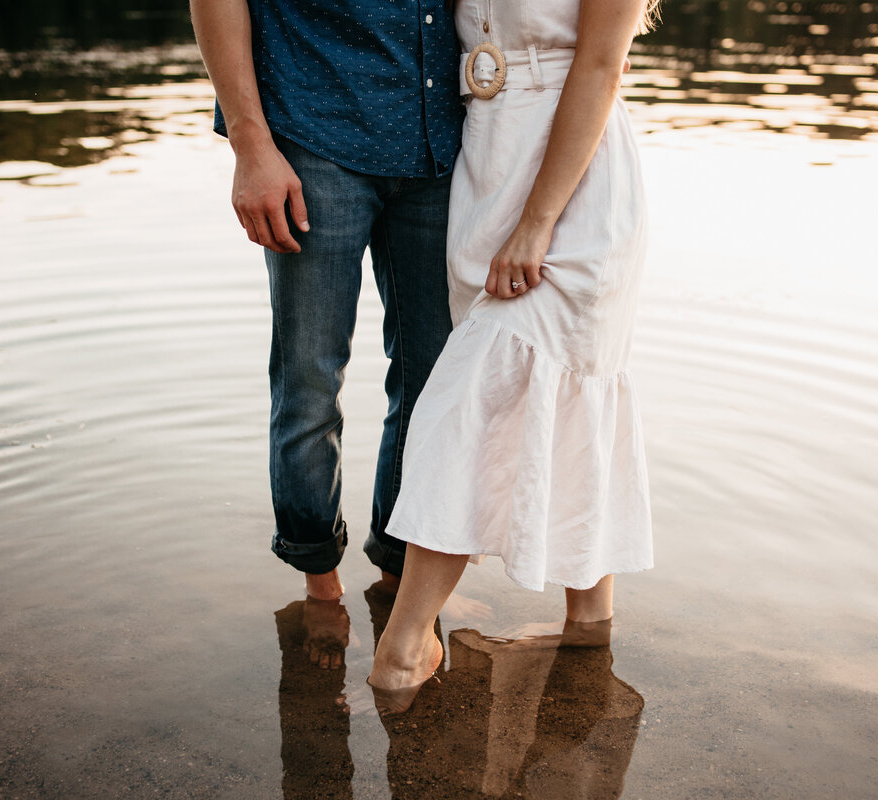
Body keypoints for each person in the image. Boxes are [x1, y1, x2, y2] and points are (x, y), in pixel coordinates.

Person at [367, 0, 660, 714]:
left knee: (472, 401)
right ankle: (589, 633)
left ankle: (404, 649)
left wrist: (536, 223)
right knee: (557, 407)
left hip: (575, 188)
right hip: (486, 170)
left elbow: (599, 66)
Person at [190, 0, 465, 604]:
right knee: (310, 378)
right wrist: (249, 146)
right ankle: (320, 584)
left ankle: (401, 579)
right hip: (313, 139)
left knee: (435, 384)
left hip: (441, 146)